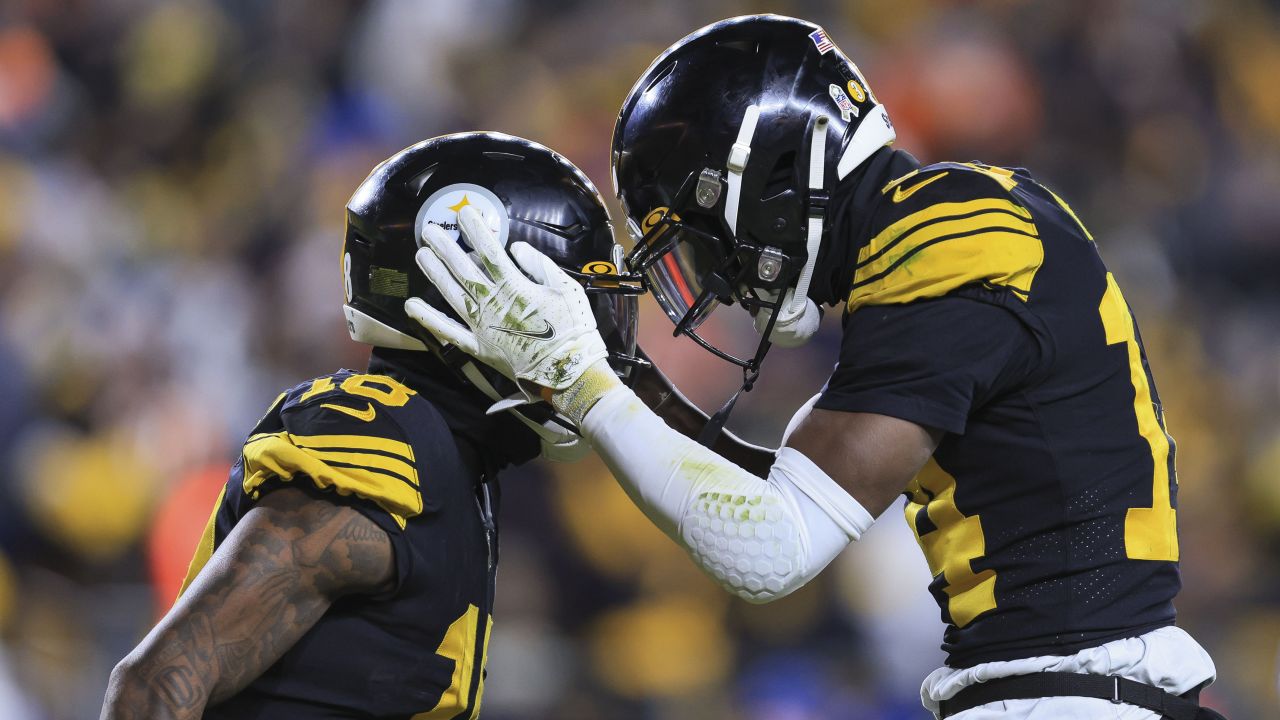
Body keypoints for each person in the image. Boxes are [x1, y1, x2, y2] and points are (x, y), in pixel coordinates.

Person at [406, 15, 1226, 720]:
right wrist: (626, 383)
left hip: (1068, 696)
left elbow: (772, 547)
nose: (716, 273)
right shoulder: (947, 226)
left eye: (698, 235)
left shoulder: (943, 243)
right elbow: (782, 494)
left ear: (762, 178)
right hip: (1070, 687)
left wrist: (583, 383)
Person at [100, 132, 642, 719]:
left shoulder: (457, 459)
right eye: (562, 313)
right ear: (465, 299)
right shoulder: (384, 443)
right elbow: (155, 685)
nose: (589, 346)